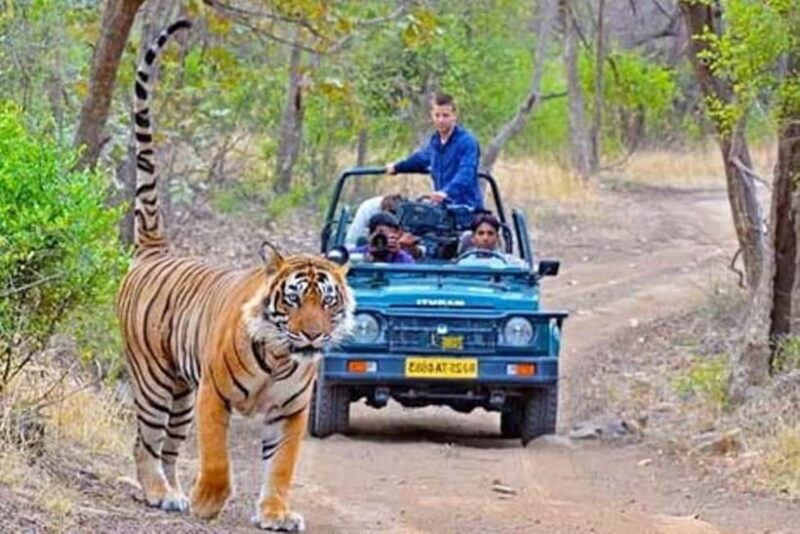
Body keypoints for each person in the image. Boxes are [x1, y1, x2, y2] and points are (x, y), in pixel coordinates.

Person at [386, 93, 483, 210]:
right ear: (432, 116)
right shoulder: (435, 141)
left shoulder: (467, 142)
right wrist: (397, 167)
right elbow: (421, 159)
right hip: (443, 209)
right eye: (437, 115)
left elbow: (466, 172)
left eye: (445, 115)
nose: (441, 120)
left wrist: (446, 192)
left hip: (467, 209)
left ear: (454, 116)